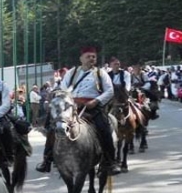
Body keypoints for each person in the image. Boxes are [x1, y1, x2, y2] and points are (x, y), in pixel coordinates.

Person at [36, 46, 121, 175]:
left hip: (92, 105)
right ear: (81, 58)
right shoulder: (72, 72)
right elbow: (63, 89)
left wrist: (96, 101)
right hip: (72, 105)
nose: (91, 59)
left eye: (93, 57)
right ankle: (47, 159)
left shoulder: (100, 73)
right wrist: (67, 101)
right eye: (88, 56)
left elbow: (109, 91)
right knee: (52, 126)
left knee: (104, 127)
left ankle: (110, 161)